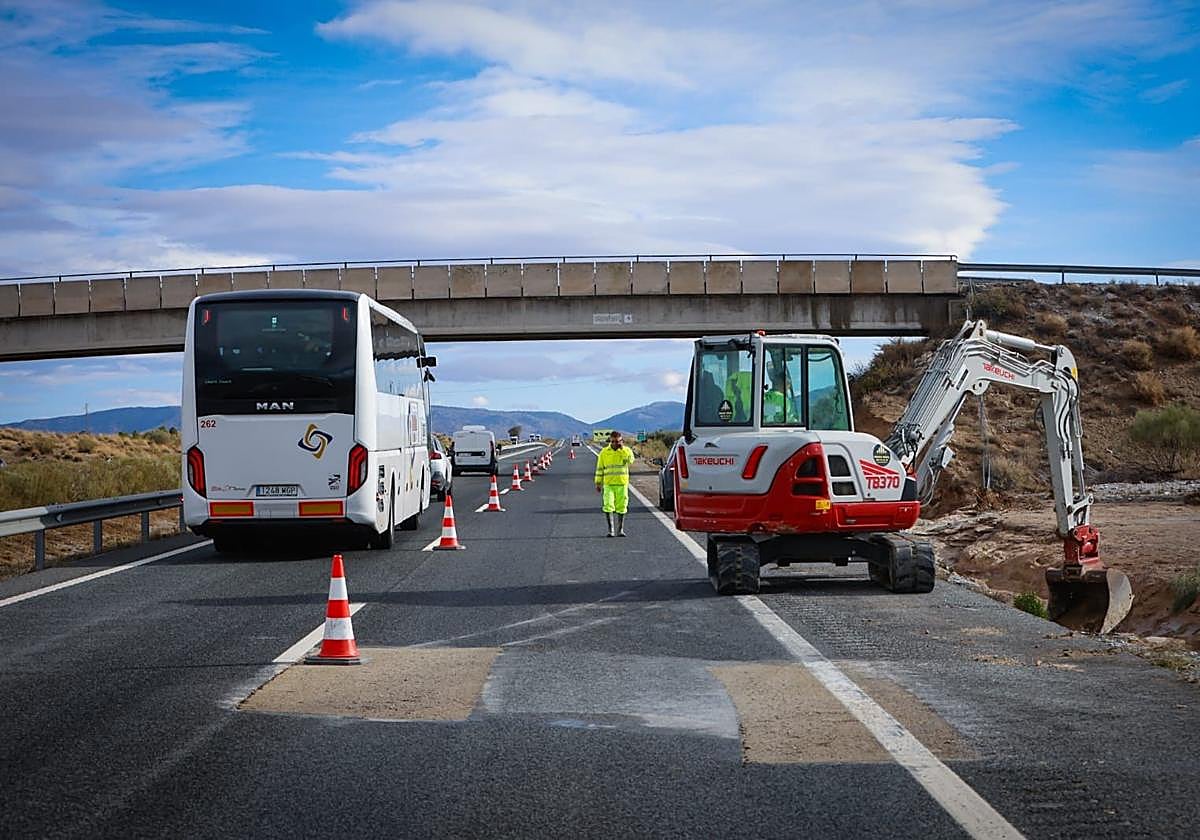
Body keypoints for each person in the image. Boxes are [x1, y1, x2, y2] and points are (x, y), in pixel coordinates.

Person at [594, 429, 635, 537]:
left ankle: (620, 529)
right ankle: (610, 529)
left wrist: (622, 450)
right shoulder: (604, 452)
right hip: (608, 484)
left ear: (621, 441)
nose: (614, 444)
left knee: (622, 506)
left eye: (617, 441)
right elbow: (600, 468)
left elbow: (630, 460)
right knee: (608, 505)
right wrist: (598, 482)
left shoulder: (626, 451)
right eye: (612, 441)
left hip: (622, 483)